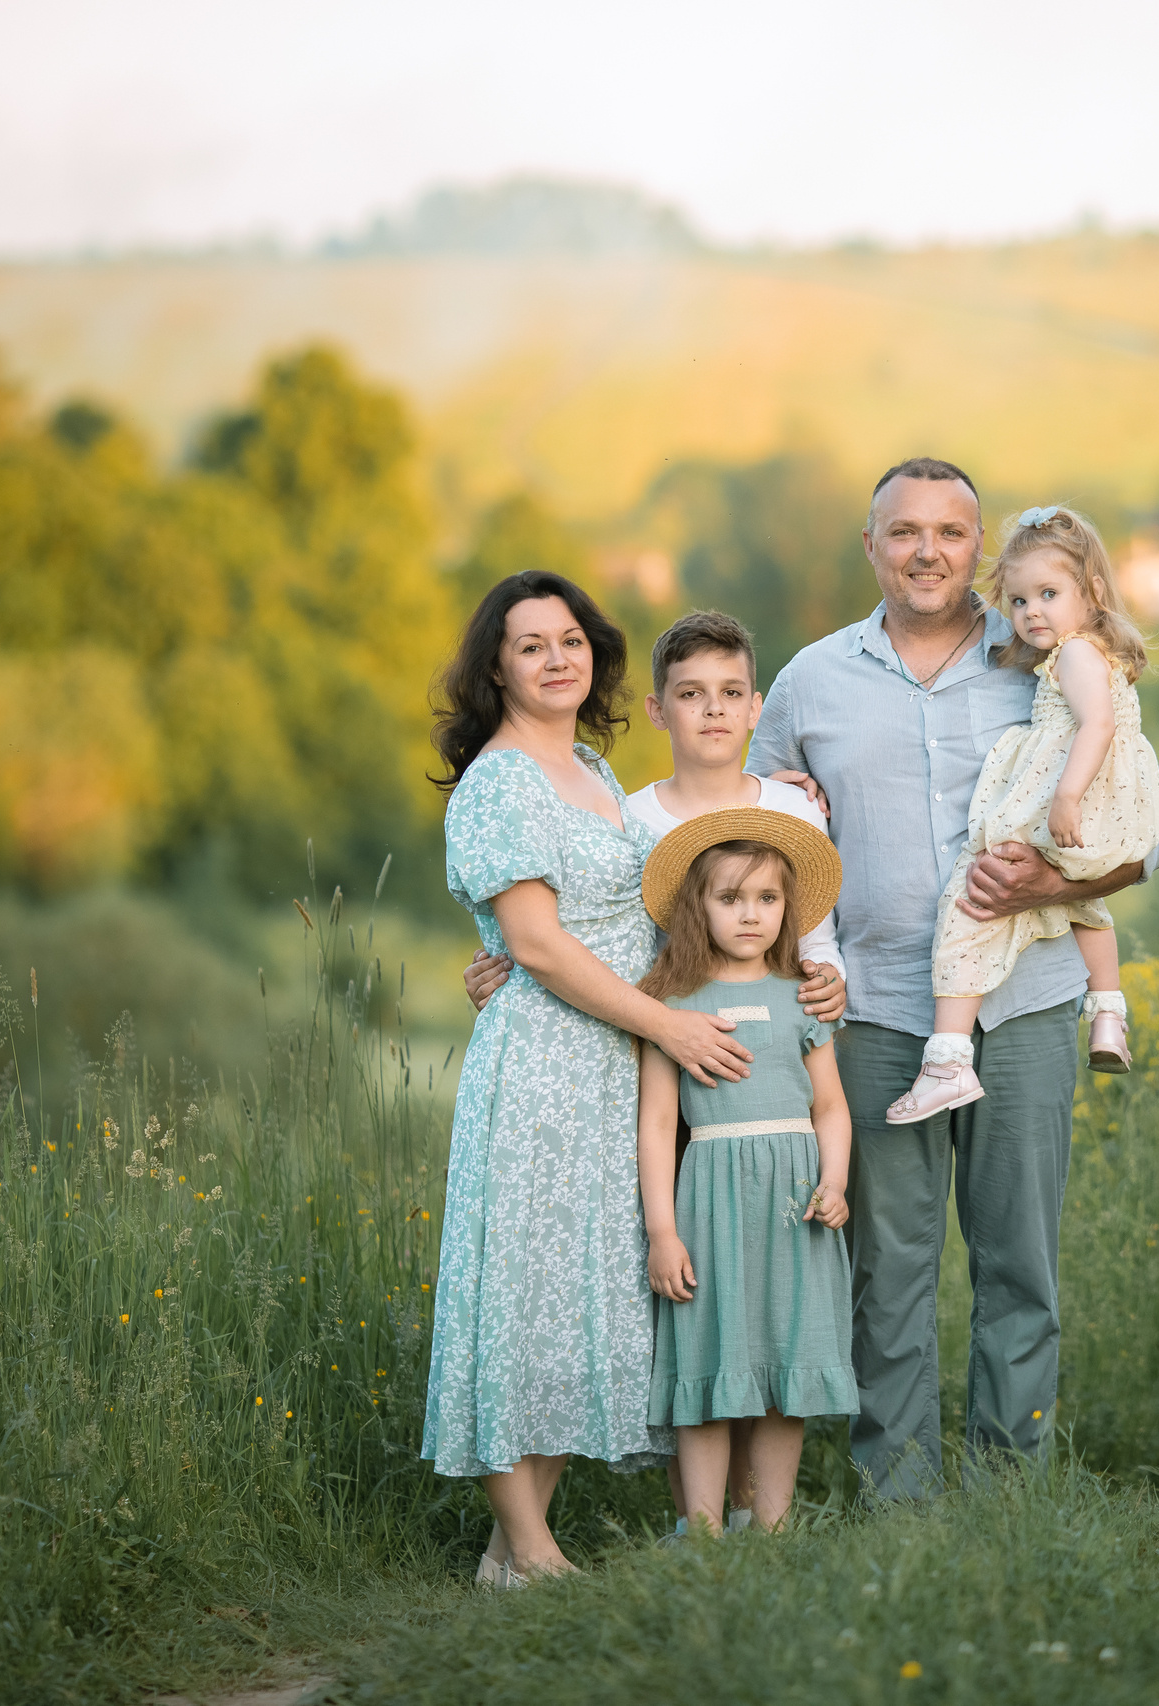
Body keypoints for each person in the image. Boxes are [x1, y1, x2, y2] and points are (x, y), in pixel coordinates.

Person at [745, 457, 1159, 1499]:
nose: (926, 550)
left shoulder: (1045, 650)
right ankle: (898, 1503)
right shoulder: (810, 681)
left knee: (1019, 1266)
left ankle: (1007, 1497)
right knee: (883, 1274)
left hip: (1025, 1005)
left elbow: (1145, 836)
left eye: (948, 531)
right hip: (877, 1011)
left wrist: (1040, 884)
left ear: (977, 548)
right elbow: (745, 838)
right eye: (903, 531)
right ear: (871, 546)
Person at [463, 608, 846, 1536]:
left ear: (753, 707)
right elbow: (576, 923)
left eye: (729, 696)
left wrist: (825, 982)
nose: (711, 713)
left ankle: (760, 1510)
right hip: (652, 1065)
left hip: (762, 1079)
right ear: (656, 708)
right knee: (690, 1287)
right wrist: (502, 967)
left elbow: (810, 935)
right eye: (690, 696)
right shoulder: (631, 812)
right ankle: (698, 1514)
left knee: (765, 1289)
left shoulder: (786, 810)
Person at [421, 569, 763, 1589]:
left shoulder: (592, 767)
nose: (557, 657)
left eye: (570, 639)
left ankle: (507, 1553)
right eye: (531, 645)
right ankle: (528, 1545)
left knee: (583, 1295)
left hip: (614, 1065)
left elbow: (638, 904)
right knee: (519, 1290)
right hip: (542, 1066)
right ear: (495, 667)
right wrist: (662, 1020)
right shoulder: (499, 781)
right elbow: (535, 940)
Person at [887, 505, 1159, 1123]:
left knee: (970, 902)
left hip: (1067, 797)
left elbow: (1098, 724)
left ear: (1091, 592)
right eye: (1017, 601)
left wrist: (1064, 796)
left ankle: (948, 1061)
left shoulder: (1074, 655)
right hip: (1104, 805)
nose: (1031, 612)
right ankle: (1108, 1015)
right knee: (1079, 902)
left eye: (1047, 594)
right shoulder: (1095, 653)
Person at [635, 808, 858, 1536]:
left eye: (767, 898)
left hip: (794, 1201)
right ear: (698, 907)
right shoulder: (672, 1003)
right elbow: (660, 1125)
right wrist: (663, 1233)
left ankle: (772, 1526)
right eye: (730, 899)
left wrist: (835, 1181)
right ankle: (700, 1530)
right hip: (710, 1199)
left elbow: (830, 1106)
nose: (751, 914)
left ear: (787, 906)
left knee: (783, 1371)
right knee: (708, 1362)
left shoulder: (803, 994)